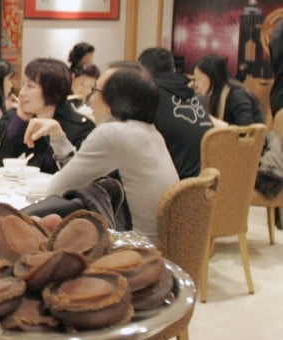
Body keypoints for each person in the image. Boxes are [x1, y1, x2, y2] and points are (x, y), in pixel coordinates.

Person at [46, 63, 178, 237]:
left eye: (95, 90)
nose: (90, 99)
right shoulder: (151, 133)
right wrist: (58, 136)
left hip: (133, 250)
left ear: (116, 100)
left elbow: (55, 192)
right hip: (159, 245)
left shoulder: (112, 134)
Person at [0, 58, 94, 173]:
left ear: (52, 91)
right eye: (23, 84)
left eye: (30, 86)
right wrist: (19, 122)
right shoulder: (23, 119)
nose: (21, 93)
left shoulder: (80, 128)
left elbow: (79, 177)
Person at [137, 47, 214, 179]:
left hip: (173, 188)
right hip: (204, 184)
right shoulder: (191, 95)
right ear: (173, 70)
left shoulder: (150, 96)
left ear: (142, 73)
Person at [192, 54, 264, 126]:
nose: (195, 84)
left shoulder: (237, 96)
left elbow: (247, 130)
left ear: (213, 77)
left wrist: (212, 121)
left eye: (198, 79)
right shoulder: (216, 96)